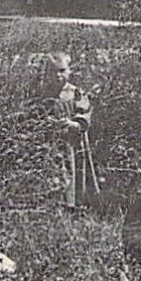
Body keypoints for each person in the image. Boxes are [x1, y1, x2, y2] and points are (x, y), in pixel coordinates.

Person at [43, 52, 99, 206]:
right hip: (53, 142)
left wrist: (74, 123)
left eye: (61, 70)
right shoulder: (45, 93)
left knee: (75, 171)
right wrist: (47, 122)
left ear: (69, 71)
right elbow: (37, 114)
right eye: (53, 71)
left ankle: (77, 204)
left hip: (73, 142)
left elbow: (84, 114)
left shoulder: (75, 93)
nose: (57, 75)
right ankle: (58, 205)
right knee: (56, 172)